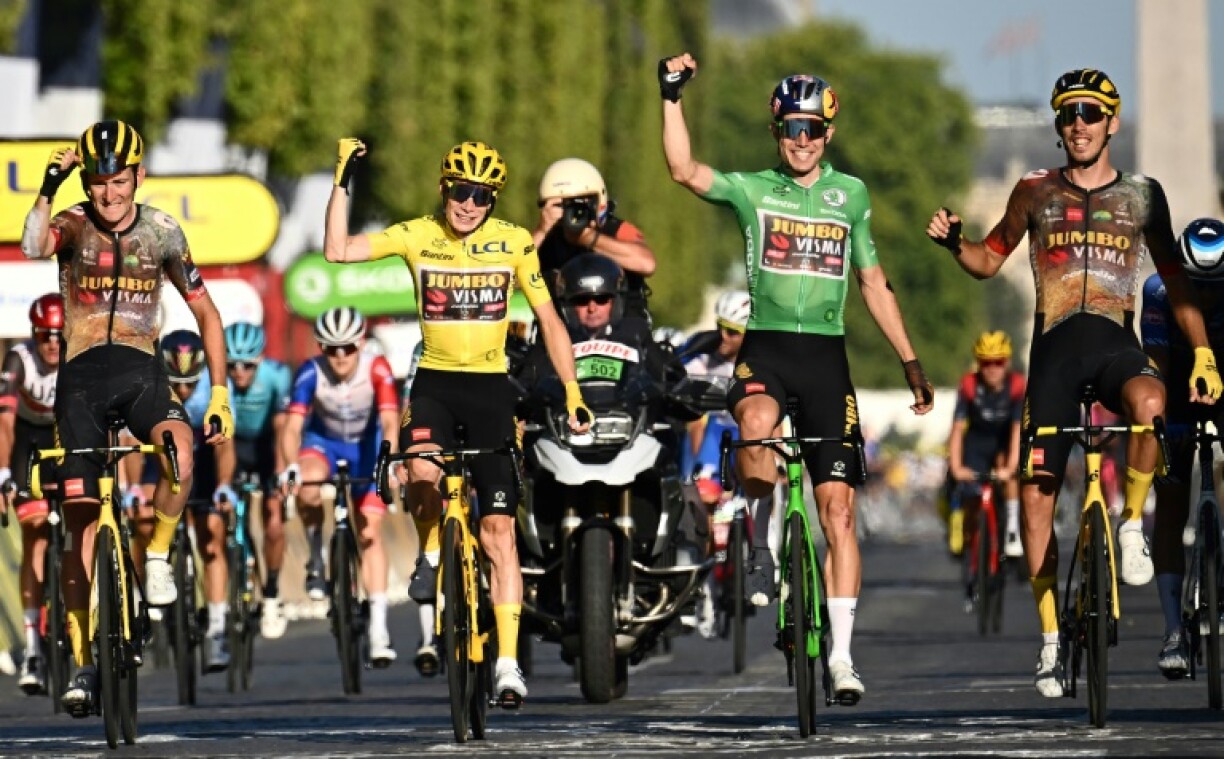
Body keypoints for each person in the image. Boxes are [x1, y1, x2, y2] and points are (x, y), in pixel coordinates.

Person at [925, 69, 1223, 698]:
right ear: (1059, 127)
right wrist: (955, 243)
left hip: (1115, 345)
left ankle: (1131, 524)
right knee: (1036, 495)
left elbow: (1177, 283)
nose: (1078, 124)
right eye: (1067, 115)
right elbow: (988, 259)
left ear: (1113, 122)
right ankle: (1050, 641)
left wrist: (1202, 354)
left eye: (1090, 113)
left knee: (1151, 399)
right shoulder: (1035, 190)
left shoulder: (1143, 195)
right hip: (1055, 357)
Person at [660, 54, 935, 704]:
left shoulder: (852, 196)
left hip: (826, 360)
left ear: (828, 133)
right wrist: (671, 96)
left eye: (812, 129)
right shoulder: (754, 189)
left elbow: (873, 281)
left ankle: (841, 656)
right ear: (776, 132)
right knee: (756, 428)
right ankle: (760, 536)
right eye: (791, 128)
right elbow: (684, 170)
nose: (802, 140)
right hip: (767, 351)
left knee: (838, 509)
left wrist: (910, 360)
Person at [322, 138, 591, 708]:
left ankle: (509, 664)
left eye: (482, 196)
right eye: (460, 192)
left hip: (491, 390)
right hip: (436, 386)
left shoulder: (515, 243)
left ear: (494, 201)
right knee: (421, 471)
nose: (469, 205)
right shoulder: (416, 234)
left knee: (498, 533)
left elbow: (549, 320)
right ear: (443, 189)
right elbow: (338, 250)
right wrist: (341, 179)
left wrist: (573, 392)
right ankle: (429, 552)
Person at [19, 119, 233, 715]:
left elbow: (207, 314)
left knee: (180, 451)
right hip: (81, 382)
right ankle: (82, 661)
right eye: (97, 182)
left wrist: (219, 394)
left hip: (142, 373)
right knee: (80, 517)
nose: (108, 194)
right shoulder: (73, 223)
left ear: (138, 176)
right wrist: (49, 185)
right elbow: (33, 244)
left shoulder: (162, 232)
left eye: (118, 181)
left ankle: (157, 554)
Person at [278, 307, 399, 667]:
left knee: (369, 531)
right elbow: (292, 427)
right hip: (324, 444)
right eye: (331, 349)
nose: (341, 356)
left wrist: (389, 461)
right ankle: (316, 557)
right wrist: (290, 468)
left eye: (348, 347)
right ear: (321, 348)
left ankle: (379, 629)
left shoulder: (376, 367)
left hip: (367, 447)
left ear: (360, 343)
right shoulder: (311, 371)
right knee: (307, 484)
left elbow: (390, 421)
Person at [1141, 217, 1224, 680]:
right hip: (1175, 386)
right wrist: (1163, 424)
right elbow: (1155, 365)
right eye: (1196, 286)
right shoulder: (1158, 292)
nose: (1206, 297)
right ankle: (1173, 629)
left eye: (1216, 287)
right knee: (1171, 502)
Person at [161, 329, 237, 672]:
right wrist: (132, 489)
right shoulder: (153, 386)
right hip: (165, 457)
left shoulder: (214, 388)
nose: (182, 391)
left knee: (212, 537)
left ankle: (217, 629)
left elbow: (224, 445)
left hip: (205, 456)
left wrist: (224, 485)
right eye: (176, 384)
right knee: (143, 517)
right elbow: (133, 440)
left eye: (190, 383)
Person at [0, 294, 62, 695]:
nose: (53, 343)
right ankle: (34, 648)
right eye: (45, 335)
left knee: (85, 516)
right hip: (27, 443)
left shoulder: (76, 356)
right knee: (36, 534)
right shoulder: (18, 360)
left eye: (59, 335)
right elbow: (5, 423)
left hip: (64, 438)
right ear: (33, 334)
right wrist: (4, 473)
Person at [216, 322, 292, 639]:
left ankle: (271, 592)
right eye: (232, 365)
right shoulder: (217, 379)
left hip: (266, 447)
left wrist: (280, 472)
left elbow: (283, 427)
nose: (239, 373)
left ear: (259, 360)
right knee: (220, 512)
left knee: (273, 521)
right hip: (232, 444)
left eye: (247, 365)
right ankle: (235, 568)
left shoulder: (277, 375)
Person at [533, 158, 657, 320]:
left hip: (624, 329)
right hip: (564, 329)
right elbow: (508, 281)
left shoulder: (616, 229)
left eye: (581, 203)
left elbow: (646, 264)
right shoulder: (546, 241)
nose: (573, 212)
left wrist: (588, 238)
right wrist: (541, 231)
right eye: (562, 206)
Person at [946, 331, 1025, 563]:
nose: (992, 369)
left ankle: (1012, 530)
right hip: (976, 443)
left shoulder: (1017, 386)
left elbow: (1017, 430)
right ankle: (970, 535)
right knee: (970, 494)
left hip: (1004, 443)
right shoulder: (969, 385)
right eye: (986, 363)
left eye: (998, 362)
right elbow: (957, 429)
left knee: (1010, 475)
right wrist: (956, 466)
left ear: (1006, 363)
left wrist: (1011, 467)